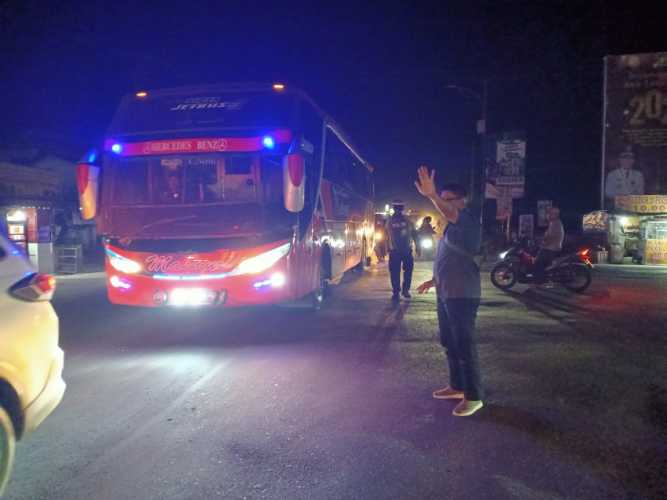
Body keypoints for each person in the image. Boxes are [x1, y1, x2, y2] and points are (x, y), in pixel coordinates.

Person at [414, 167, 484, 417]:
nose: (441, 204)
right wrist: (433, 281)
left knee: (464, 345)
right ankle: (457, 386)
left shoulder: (467, 221)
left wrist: (432, 195)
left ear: (461, 201)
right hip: (445, 293)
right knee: (449, 343)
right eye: (440, 199)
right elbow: (450, 259)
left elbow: (451, 213)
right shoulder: (449, 230)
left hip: (462, 295)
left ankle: (474, 396)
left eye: (446, 199)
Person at [385, 200, 420, 301]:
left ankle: (399, 291)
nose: (398, 210)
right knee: (405, 271)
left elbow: (385, 236)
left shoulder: (390, 221)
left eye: (398, 208)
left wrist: (417, 246)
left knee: (397, 272)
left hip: (399, 250)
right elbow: (415, 234)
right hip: (402, 250)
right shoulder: (407, 221)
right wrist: (417, 247)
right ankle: (402, 291)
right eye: (398, 208)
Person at [533, 205, 564, 284]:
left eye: (550, 214)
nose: (547, 215)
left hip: (551, 248)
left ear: (555, 215)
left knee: (537, 261)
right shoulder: (555, 223)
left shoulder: (555, 223)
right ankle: (543, 278)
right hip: (552, 247)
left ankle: (540, 279)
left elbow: (550, 237)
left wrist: (543, 244)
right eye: (548, 214)